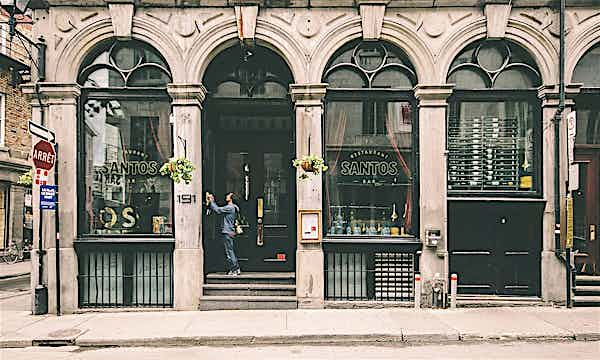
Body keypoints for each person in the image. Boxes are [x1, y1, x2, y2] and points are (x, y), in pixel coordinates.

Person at [207, 192, 241, 275]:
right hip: (231, 231)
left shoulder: (230, 207)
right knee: (230, 250)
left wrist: (211, 201)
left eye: (228, 195)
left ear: (231, 198)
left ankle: (235, 269)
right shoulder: (235, 208)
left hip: (227, 231)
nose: (226, 196)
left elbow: (218, 210)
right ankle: (234, 268)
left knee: (229, 251)